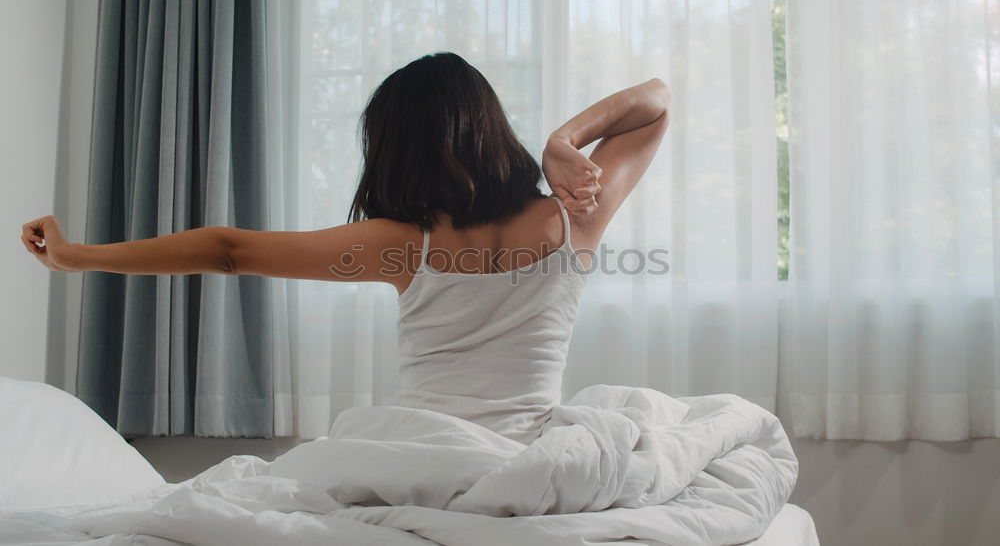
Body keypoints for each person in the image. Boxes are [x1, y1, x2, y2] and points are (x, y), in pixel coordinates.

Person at [21, 51, 670, 444]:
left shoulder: (400, 243)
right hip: (535, 451)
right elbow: (657, 102)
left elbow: (227, 249)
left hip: (427, 451)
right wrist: (566, 136)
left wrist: (74, 256)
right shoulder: (574, 217)